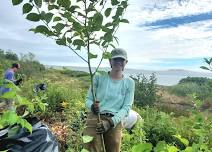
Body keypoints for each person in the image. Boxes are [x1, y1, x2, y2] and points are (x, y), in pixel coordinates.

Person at [83, 48, 135, 152]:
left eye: (121, 60)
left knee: (114, 148)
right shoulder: (98, 77)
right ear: (110, 61)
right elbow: (88, 100)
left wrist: (110, 122)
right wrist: (92, 106)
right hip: (95, 116)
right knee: (91, 147)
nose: (118, 62)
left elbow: (126, 107)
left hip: (114, 120)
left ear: (126, 62)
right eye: (115, 59)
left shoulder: (129, 83)